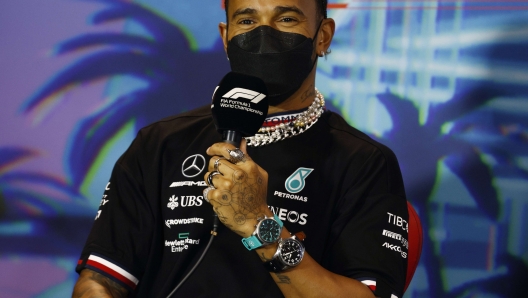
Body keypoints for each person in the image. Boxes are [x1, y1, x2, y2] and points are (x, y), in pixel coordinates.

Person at [72, 0, 410, 297]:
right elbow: (101, 280)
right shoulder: (160, 143)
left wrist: (259, 223)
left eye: (287, 19)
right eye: (247, 21)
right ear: (225, 36)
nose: (264, 35)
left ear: (323, 36)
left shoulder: (364, 162)